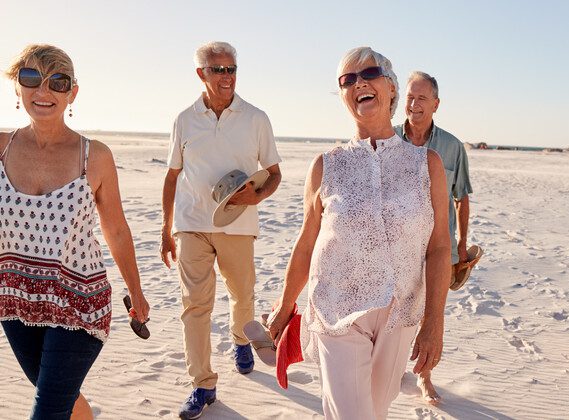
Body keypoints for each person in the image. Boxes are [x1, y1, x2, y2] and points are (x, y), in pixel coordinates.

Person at [266, 47, 451, 419]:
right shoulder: (326, 166)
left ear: (392, 88)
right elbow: (307, 244)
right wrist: (286, 304)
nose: (359, 83)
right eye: (347, 80)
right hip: (337, 310)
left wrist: (434, 322)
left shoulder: (426, 165)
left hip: (401, 313)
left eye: (368, 74)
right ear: (343, 96)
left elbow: (439, 247)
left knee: (377, 411)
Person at [0, 44, 150, 420]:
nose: (43, 91)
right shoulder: (1, 146)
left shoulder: (94, 156)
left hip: (78, 303)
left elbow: (115, 228)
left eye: (57, 81)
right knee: (59, 398)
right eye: (31, 78)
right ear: (17, 87)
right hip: (14, 301)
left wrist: (136, 292)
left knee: (48, 409)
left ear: (73, 93)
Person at [159, 41, 282, 419]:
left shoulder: (256, 117)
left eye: (231, 69)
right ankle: (202, 385)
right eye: (218, 70)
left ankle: (241, 339)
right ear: (201, 74)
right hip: (192, 224)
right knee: (195, 306)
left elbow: (274, 175)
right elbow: (172, 175)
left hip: (238, 225)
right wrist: (166, 229)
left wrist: (254, 199)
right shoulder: (184, 119)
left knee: (242, 294)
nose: (227, 77)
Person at [393, 71, 473, 404]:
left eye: (422, 98)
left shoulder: (452, 147)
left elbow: (462, 197)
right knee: (392, 312)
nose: (414, 105)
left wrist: (462, 245)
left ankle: (424, 376)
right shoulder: (387, 139)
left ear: (436, 104)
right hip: (394, 247)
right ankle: (392, 369)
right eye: (410, 98)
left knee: (431, 315)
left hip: (436, 249)